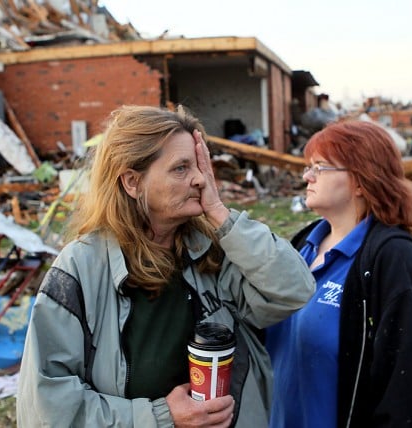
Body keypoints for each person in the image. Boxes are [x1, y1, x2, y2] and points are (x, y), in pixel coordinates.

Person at [17, 105, 315, 427]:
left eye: (200, 166)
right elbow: (46, 408)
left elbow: (294, 290)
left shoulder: (212, 252)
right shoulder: (80, 269)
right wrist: (161, 417)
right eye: (181, 168)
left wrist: (219, 212)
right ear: (132, 182)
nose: (200, 179)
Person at [266, 120, 412, 428]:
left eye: (320, 167)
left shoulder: (395, 264)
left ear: (361, 180)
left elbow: (409, 395)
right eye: (309, 166)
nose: (307, 176)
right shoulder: (303, 245)